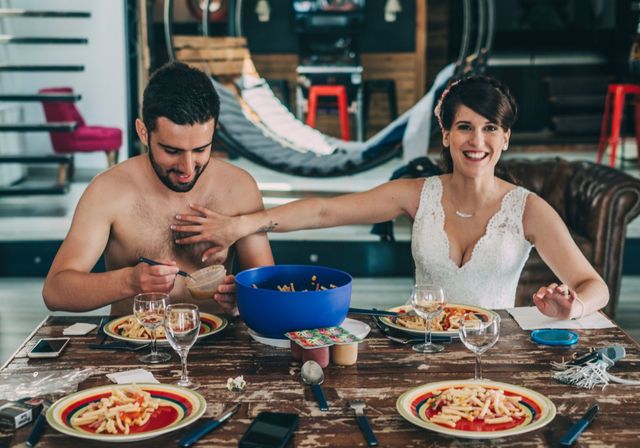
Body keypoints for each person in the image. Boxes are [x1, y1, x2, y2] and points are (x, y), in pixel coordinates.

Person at [171, 75, 609, 321]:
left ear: (506, 137)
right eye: (465, 127)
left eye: (490, 128)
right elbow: (325, 210)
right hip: (416, 343)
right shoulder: (418, 195)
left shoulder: (528, 209)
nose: (477, 140)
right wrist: (240, 224)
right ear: (446, 134)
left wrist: (573, 308)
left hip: (490, 350)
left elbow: (596, 287)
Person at [43, 62, 274, 315]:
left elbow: (266, 289)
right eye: (172, 151)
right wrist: (129, 281)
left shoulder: (239, 187)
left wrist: (241, 297)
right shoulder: (107, 190)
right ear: (143, 132)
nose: (187, 167)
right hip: (135, 346)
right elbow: (56, 292)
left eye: (200, 150)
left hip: (218, 344)